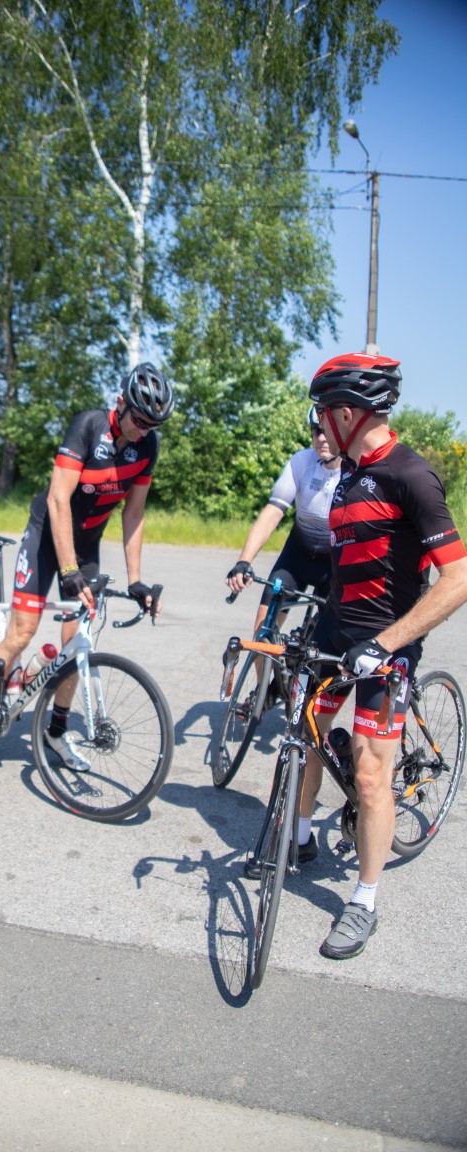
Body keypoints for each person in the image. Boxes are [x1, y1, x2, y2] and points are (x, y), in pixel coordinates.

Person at [294, 352, 467, 960]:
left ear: (346, 413)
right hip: (334, 632)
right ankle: (300, 834)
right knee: (306, 730)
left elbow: (458, 578)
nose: (319, 424)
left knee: (370, 776)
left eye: (323, 413)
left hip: (385, 646)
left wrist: (387, 643)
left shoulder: (411, 475)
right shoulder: (347, 473)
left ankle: (364, 902)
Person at [0, 362, 175, 766]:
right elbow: (58, 499)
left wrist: (136, 579)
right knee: (22, 633)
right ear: (121, 403)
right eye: (139, 420)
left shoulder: (147, 446)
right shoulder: (87, 426)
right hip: (46, 537)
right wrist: (67, 569)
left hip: (87, 547)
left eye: (153, 425)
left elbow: (134, 513)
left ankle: (56, 731)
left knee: (78, 642)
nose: (144, 430)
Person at [226, 406, 342, 702]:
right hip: (298, 557)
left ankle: (311, 704)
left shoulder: (353, 471)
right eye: (316, 431)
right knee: (263, 628)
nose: (321, 438)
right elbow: (273, 512)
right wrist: (244, 561)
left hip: (333, 564)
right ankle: (263, 691)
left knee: (328, 644)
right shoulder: (302, 462)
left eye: (327, 431)